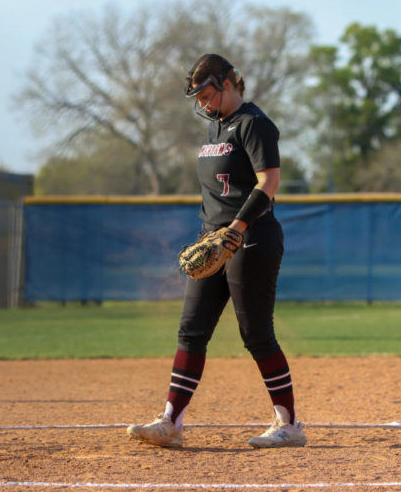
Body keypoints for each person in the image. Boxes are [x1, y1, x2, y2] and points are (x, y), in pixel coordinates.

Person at [127, 53, 306, 449]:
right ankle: (171, 421)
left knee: (256, 333)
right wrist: (212, 238)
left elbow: (269, 181)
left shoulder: (254, 124)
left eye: (207, 94)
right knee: (191, 330)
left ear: (228, 83)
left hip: (251, 239)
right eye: (198, 98)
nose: (203, 104)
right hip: (213, 242)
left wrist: (236, 229)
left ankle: (289, 425)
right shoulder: (216, 130)